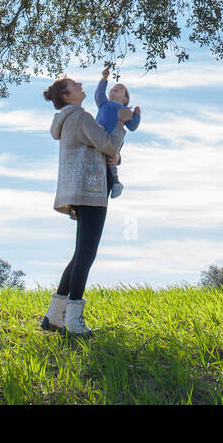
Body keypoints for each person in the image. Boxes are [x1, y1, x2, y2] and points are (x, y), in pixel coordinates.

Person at [40, 75, 133, 336]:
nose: (80, 86)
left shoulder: (70, 119)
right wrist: (121, 124)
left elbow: (103, 149)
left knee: (80, 253)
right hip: (91, 190)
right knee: (86, 254)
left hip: (80, 189)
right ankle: (73, 319)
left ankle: (54, 316)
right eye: (74, 85)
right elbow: (107, 143)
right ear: (66, 95)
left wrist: (115, 156)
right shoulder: (80, 117)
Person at [93, 66, 141, 199]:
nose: (116, 88)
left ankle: (115, 182)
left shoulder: (124, 110)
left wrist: (136, 116)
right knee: (104, 157)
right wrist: (104, 79)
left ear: (125, 99)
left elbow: (132, 126)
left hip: (114, 138)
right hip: (99, 136)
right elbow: (98, 94)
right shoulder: (104, 104)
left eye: (120, 89)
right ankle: (114, 181)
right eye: (114, 87)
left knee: (111, 159)